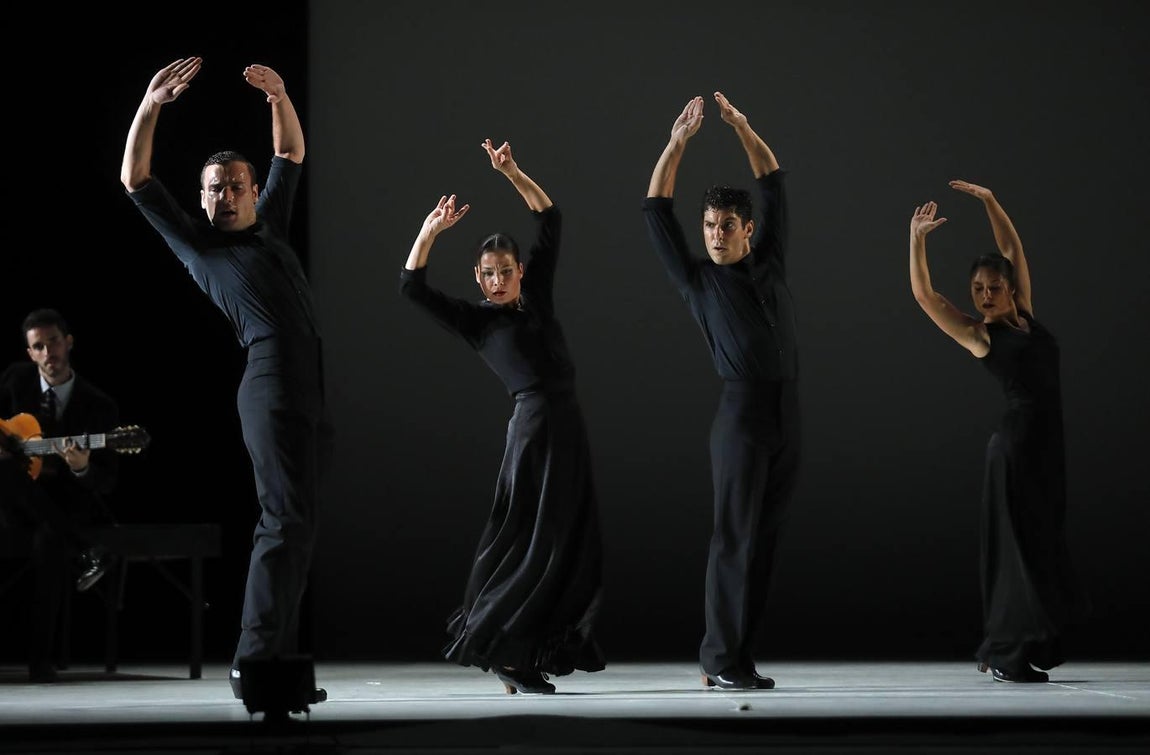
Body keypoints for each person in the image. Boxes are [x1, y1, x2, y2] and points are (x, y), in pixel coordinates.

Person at [120, 57, 329, 702]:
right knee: (282, 519)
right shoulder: (197, 244)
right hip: (268, 380)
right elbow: (134, 178)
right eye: (218, 186)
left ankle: (276, 659)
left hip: (307, 382)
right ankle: (254, 659)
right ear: (203, 195)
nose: (231, 192)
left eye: (238, 182)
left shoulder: (270, 225)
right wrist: (151, 105)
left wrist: (280, 96)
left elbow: (289, 152)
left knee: (298, 523)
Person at [399, 139, 605, 695]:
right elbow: (411, 287)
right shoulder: (476, 322)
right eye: (488, 274)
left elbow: (549, 218)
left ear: (519, 272)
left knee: (568, 541)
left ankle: (526, 648)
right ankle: (502, 647)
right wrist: (429, 232)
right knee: (528, 539)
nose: (497, 281)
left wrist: (512, 171)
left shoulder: (536, 299)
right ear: (478, 277)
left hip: (569, 430)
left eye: (505, 271)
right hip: (535, 433)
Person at [643, 92, 799, 691]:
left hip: (788, 412)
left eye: (725, 226)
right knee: (734, 537)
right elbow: (656, 208)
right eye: (707, 226)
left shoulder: (771, 261)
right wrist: (676, 145)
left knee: (765, 541)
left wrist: (741, 126)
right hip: (740, 415)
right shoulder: (697, 280)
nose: (713, 235)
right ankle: (718, 658)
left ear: (747, 231)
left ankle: (741, 657)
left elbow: (773, 181)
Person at [908, 181, 1089, 683]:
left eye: (993, 288)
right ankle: (1007, 653)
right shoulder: (980, 334)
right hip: (1013, 451)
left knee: (1044, 543)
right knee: (1020, 550)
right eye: (978, 290)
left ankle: (1024, 644)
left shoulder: (1025, 314)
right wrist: (916, 239)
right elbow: (925, 296)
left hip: (1047, 451)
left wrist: (990, 202)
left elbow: (1012, 249)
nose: (985, 296)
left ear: (1010, 288)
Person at [1, 308, 120, 683]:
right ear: (30, 354)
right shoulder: (13, 385)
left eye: (53, 342)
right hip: (14, 503)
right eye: (39, 346)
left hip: (66, 505)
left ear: (68, 343)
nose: (48, 352)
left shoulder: (99, 405)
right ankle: (84, 551)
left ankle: (40, 660)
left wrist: (82, 466)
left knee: (49, 541)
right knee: (6, 469)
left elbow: (107, 482)